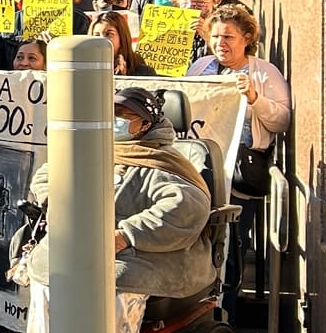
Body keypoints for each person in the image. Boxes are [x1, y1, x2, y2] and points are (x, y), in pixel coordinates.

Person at [12, 86, 214, 299]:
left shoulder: (161, 161)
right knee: (47, 269)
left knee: (109, 282)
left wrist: (126, 235)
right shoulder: (90, 147)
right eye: (111, 113)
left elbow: (186, 208)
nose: (114, 120)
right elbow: (47, 176)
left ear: (145, 125)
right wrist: (61, 204)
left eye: (123, 116)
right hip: (76, 243)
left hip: (131, 255)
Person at [188, 4, 292, 310]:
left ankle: (227, 312)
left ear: (246, 38)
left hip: (238, 175)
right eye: (215, 36)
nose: (220, 43)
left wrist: (254, 99)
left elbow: (282, 120)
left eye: (228, 37)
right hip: (201, 171)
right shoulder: (200, 67)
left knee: (232, 248)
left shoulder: (264, 72)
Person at [88, 11, 155, 76]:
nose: (102, 40)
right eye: (96, 35)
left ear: (122, 37)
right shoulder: (86, 68)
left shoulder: (144, 72)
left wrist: (122, 78)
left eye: (108, 34)